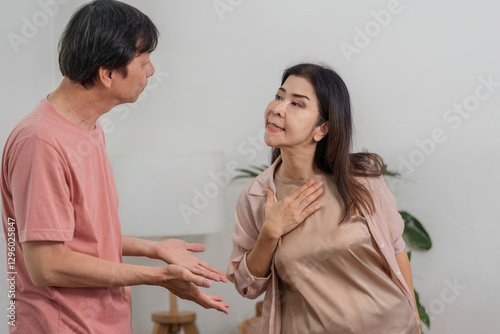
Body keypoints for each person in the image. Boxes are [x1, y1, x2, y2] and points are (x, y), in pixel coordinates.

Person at [0, 1, 229, 333]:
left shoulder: (88, 128)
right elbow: (46, 266)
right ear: (107, 73)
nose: (151, 71)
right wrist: (160, 277)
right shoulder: (41, 143)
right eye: (145, 61)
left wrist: (155, 248)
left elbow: (85, 238)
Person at [227, 63, 422, 334]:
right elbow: (246, 286)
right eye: (280, 96)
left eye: (297, 104)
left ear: (322, 129)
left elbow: (397, 251)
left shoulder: (362, 182)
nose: (278, 108)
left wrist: (415, 319)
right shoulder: (257, 196)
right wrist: (270, 233)